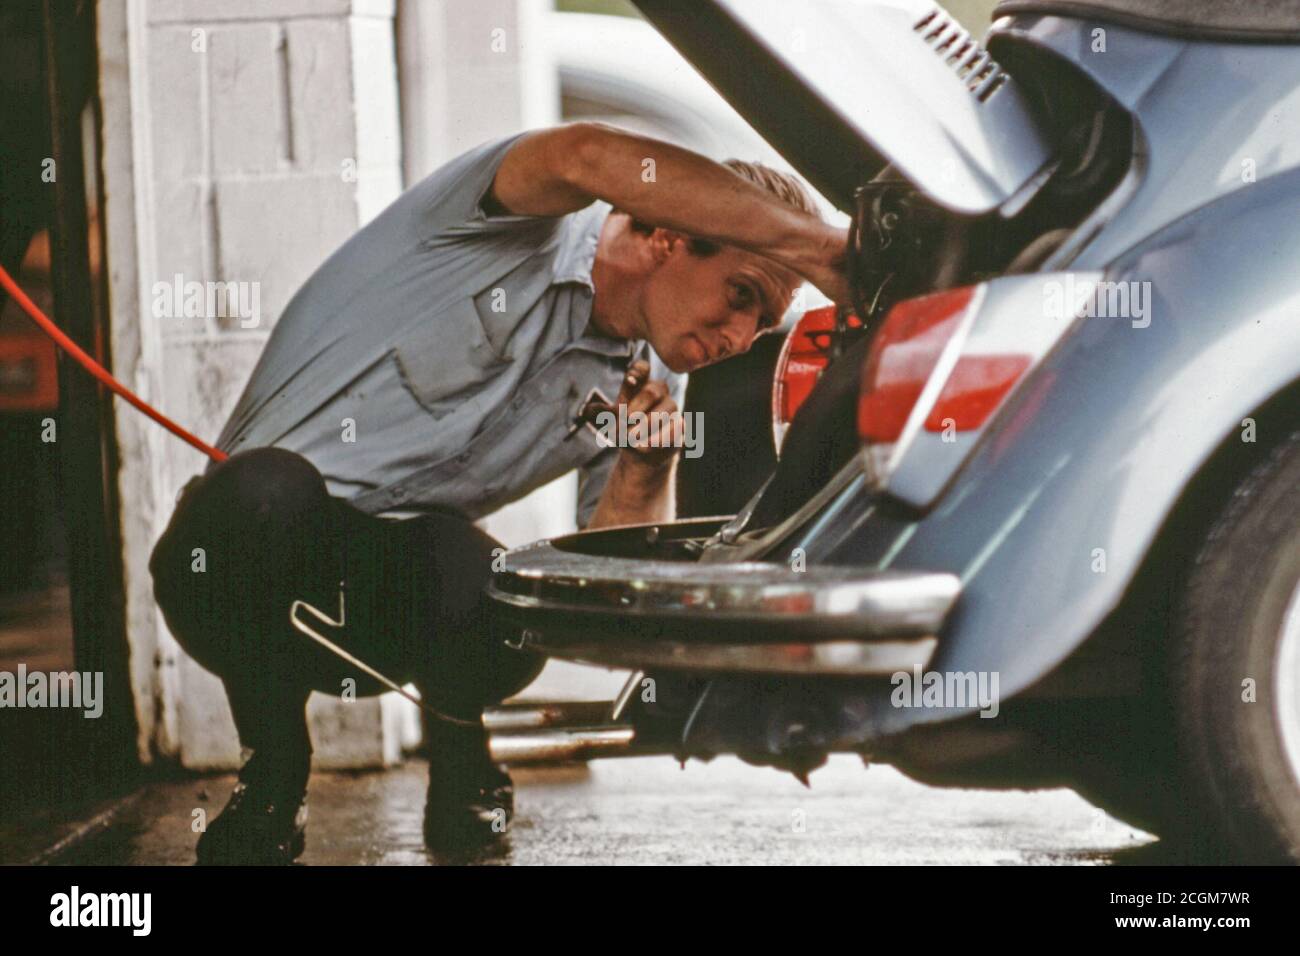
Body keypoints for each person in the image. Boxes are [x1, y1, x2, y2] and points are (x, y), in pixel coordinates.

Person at [149, 122, 848, 864]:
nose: (742, 336)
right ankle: (274, 774)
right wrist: (825, 246)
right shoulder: (502, 222)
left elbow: (604, 587)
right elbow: (584, 153)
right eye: (739, 295)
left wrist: (646, 470)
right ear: (671, 236)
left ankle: (463, 753)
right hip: (247, 569)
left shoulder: (648, 381)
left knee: (499, 584)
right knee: (263, 490)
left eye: (763, 322)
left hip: (383, 607)